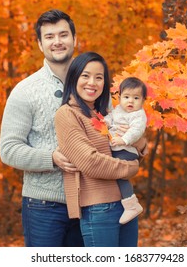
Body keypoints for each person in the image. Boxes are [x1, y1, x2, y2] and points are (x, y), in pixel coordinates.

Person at [0, 9, 84, 247]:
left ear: (74, 39)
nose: (57, 42)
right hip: (43, 206)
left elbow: (112, 131)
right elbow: (8, 149)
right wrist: (52, 158)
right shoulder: (25, 91)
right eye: (49, 37)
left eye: (63, 34)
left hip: (91, 203)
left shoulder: (93, 83)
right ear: (40, 44)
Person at [54, 51, 147, 247]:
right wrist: (130, 168)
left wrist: (138, 143)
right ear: (74, 77)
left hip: (126, 204)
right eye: (85, 75)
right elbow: (90, 162)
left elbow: (125, 147)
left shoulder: (103, 114)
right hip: (99, 209)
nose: (92, 82)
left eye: (99, 77)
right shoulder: (67, 114)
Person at [104, 77, 147, 225]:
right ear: (120, 97)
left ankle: (131, 205)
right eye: (126, 97)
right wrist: (105, 121)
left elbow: (136, 130)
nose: (131, 101)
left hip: (126, 149)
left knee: (120, 175)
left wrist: (125, 140)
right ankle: (128, 203)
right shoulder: (118, 110)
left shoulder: (138, 115)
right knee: (117, 176)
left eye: (136, 98)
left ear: (142, 101)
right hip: (117, 147)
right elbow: (111, 118)